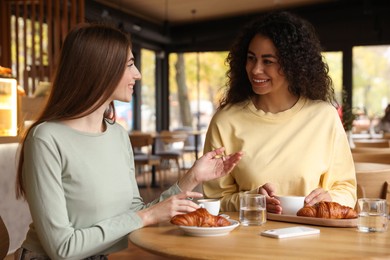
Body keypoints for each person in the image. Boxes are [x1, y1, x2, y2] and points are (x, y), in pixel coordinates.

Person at [14, 24, 243, 260]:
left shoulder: (117, 134)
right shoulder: (46, 139)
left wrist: (192, 177)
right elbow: (62, 248)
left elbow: (134, 214)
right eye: (130, 64)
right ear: (101, 69)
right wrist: (147, 217)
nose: (138, 74)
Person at [202, 11, 357, 213]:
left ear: (294, 65)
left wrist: (331, 199)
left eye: (268, 61)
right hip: (248, 239)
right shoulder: (225, 122)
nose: (256, 69)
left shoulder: (324, 117)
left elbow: (346, 189)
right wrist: (252, 200)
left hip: (313, 237)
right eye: (251, 58)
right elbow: (214, 199)